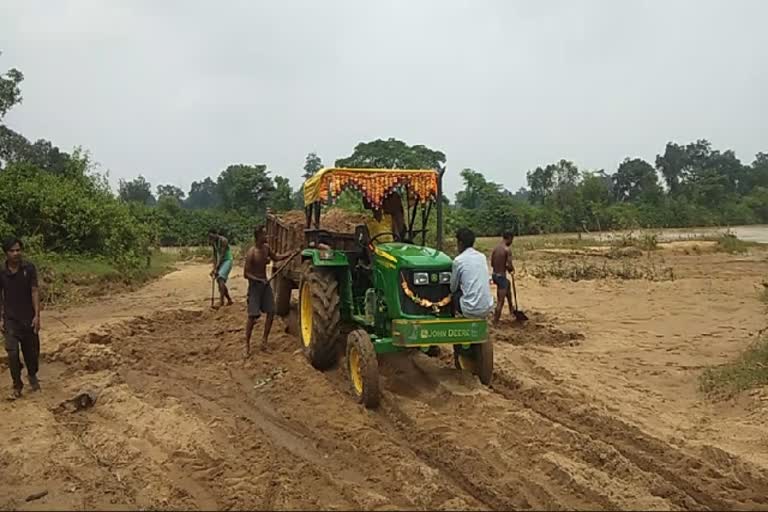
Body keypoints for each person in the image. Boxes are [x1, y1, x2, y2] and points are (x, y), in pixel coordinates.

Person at [0, 237, 41, 400]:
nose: (16, 253)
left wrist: (37, 316)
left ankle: (32, 374)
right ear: (6, 253)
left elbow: (34, 291)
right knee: (12, 353)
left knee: (32, 354)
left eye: (18, 250)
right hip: (10, 320)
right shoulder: (1, 272)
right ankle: (17, 384)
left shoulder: (29, 268)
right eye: (12, 250)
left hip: (28, 318)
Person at [243, 225, 292, 357]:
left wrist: (289, 254)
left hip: (265, 286)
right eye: (264, 234)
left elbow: (276, 258)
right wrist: (259, 281)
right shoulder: (251, 253)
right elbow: (246, 274)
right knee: (252, 317)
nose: (267, 236)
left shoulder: (266, 249)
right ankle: (246, 345)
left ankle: (264, 341)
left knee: (271, 312)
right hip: (255, 288)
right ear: (258, 236)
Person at [450, 228, 494, 319]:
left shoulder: (458, 261)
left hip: (470, 309)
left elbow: (453, 288)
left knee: (454, 294)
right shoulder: (482, 257)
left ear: (460, 243)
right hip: (487, 307)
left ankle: (453, 318)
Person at [491, 230, 515, 324]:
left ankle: (512, 310)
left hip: (494, 275)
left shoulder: (496, 248)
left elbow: (492, 263)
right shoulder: (507, 249)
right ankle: (495, 321)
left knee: (508, 285)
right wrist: (511, 270)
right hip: (501, 276)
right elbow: (509, 265)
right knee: (500, 300)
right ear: (509, 238)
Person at [208, 229, 233, 307]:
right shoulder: (214, 243)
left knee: (220, 278)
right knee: (219, 282)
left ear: (216, 234)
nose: (210, 238)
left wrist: (216, 268)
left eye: (212, 236)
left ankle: (221, 302)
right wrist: (214, 267)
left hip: (227, 260)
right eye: (209, 237)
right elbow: (215, 256)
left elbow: (221, 255)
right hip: (220, 261)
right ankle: (229, 300)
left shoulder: (223, 240)